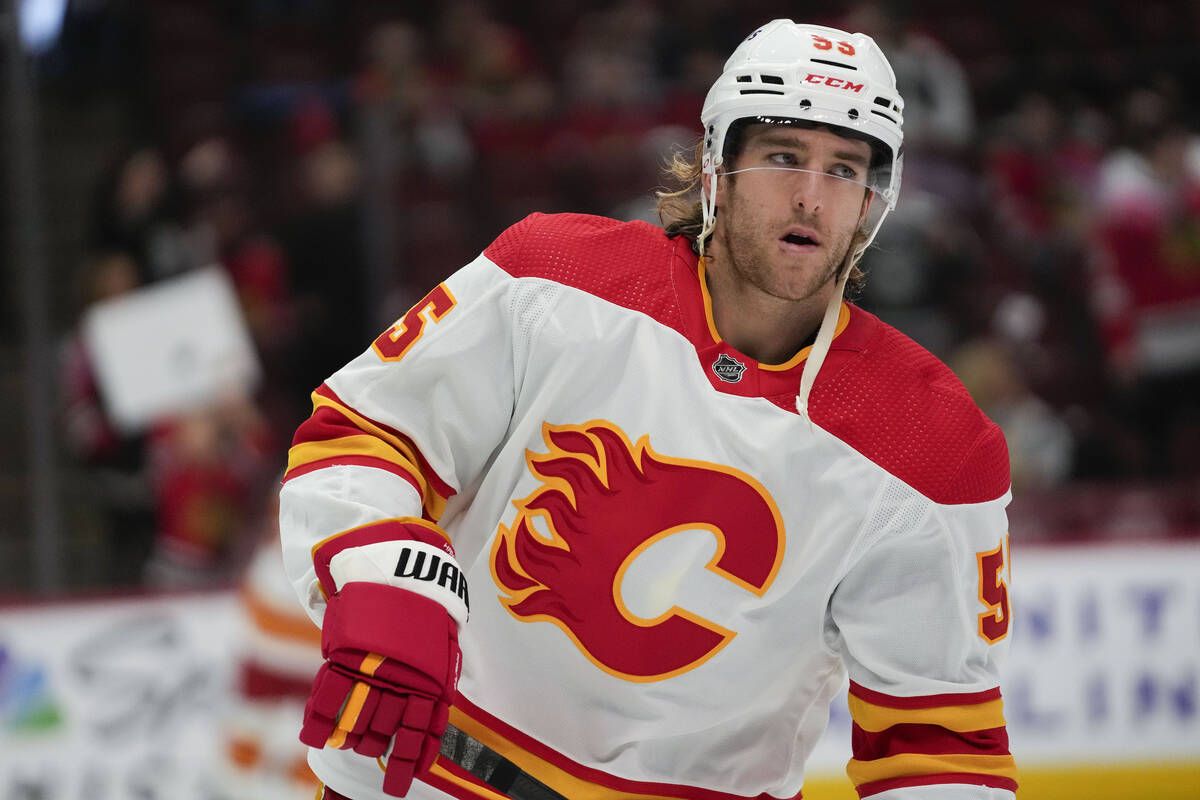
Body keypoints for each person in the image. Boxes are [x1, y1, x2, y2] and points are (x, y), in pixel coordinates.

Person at [279, 19, 1018, 800]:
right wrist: (384, 566)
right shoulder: (551, 279)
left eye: (844, 169)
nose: (811, 195)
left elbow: (939, 743)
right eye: (782, 157)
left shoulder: (932, 447)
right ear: (716, 167)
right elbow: (364, 434)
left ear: (876, 199)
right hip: (426, 780)